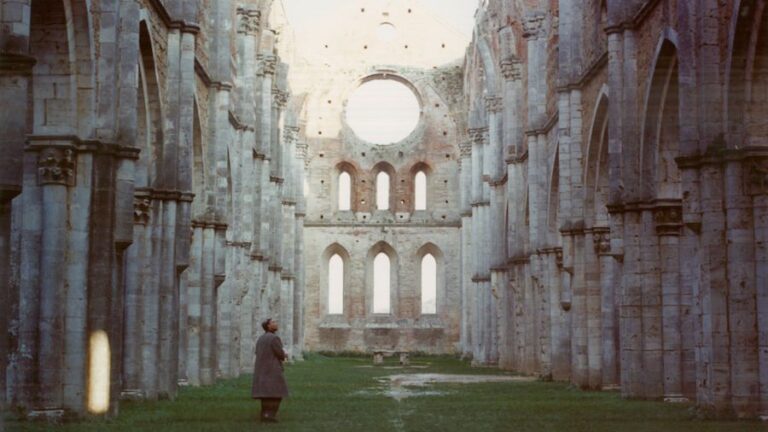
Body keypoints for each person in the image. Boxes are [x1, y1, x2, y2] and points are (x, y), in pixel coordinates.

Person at [252, 318, 289, 423]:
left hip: (262, 369)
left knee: (265, 394)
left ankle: (265, 414)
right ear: (268, 326)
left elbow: (257, 352)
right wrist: (284, 354)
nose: (276, 324)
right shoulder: (274, 338)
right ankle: (270, 415)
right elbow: (280, 354)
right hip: (272, 369)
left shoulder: (261, 338)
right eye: (273, 323)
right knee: (277, 393)